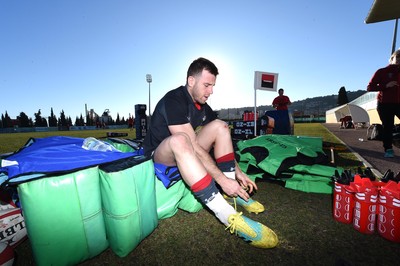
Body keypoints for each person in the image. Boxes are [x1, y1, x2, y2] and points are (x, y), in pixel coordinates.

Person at [143, 57, 278, 248]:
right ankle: (226, 215)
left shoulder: (203, 107)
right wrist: (221, 180)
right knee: (181, 140)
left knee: (221, 126)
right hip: (159, 156)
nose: (211, 91)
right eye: (206, 85)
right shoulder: (173, 100)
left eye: (213, 86)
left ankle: (232, 194)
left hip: (186, 149)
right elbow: (192, 145)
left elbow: (215, 141)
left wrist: (237, 173)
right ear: (191, 81)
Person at [367, 49, 400, 158]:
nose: (399, 60)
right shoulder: (382, 71)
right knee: (388, 127)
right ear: (392, 58)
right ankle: (388, 149)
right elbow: (369, 87)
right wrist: (386, 85)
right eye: (398, 57)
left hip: (398, 103)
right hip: (384, 104)